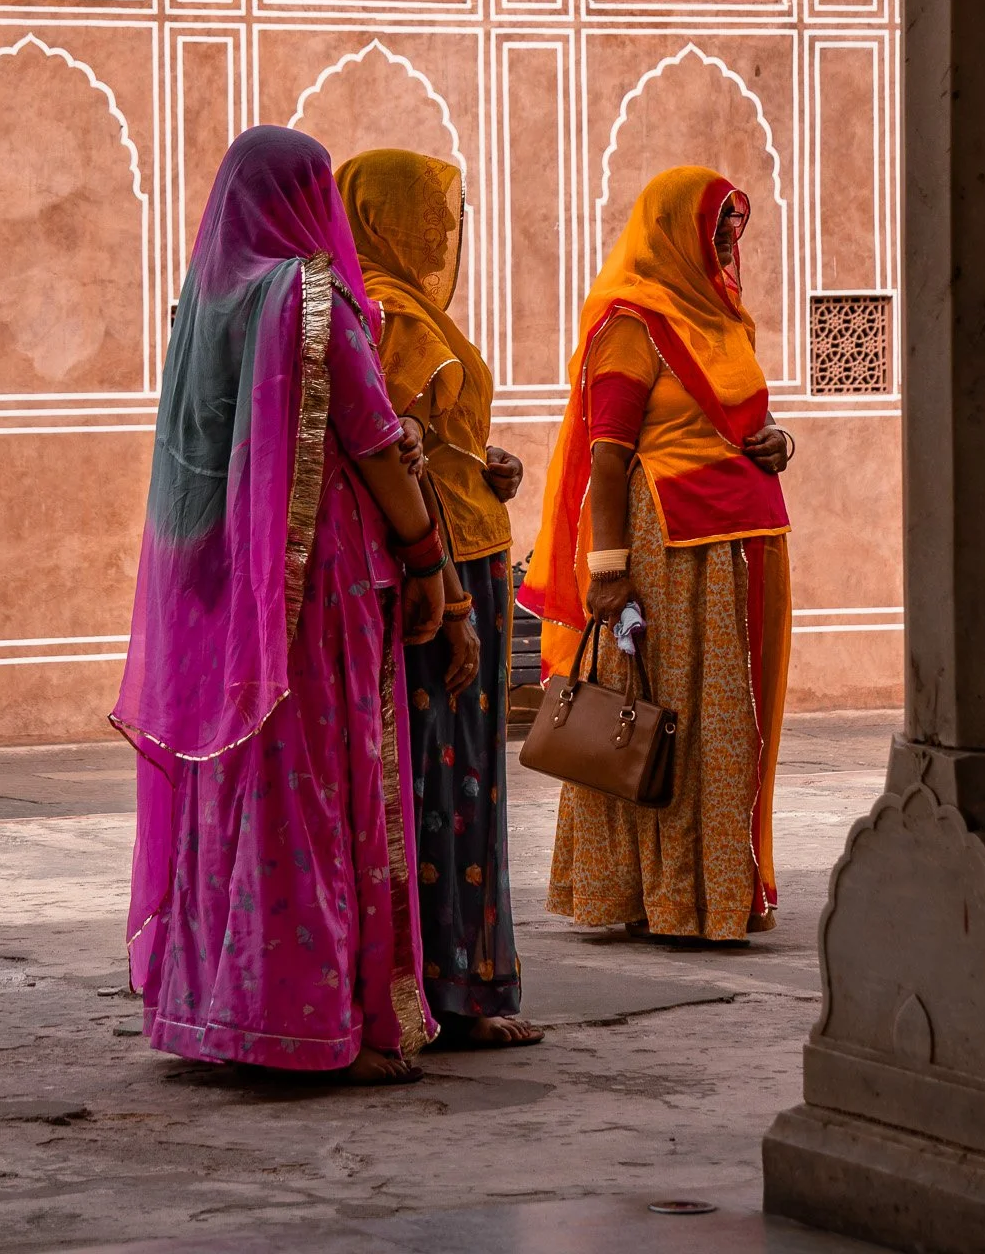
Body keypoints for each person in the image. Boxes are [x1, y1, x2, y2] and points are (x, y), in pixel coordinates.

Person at [110, 126, 448, 1083]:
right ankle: (322, 1021)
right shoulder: (308, 295)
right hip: (319, 585)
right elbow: (371, 439)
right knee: (320, 787)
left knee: (236, 786)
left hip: (224, 591)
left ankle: (219, 1012)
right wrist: (426, 556)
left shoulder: (205, 305)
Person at [520, 166, 792, 943]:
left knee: (734, 726)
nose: (729, 237)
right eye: (715, 223)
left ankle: (724, 888)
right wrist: (607, 571)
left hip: (743, 546)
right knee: (661, 721)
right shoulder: (631, 326)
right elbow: (606, 457)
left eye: (733, 224)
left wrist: (779, 442)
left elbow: (743, 423)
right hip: (669, 552)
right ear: (674, 231)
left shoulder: (726, 320)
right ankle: (663, 896)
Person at [337, 149, 543, 1047]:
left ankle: (458, 984)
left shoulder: (403, 314)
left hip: (472, 549)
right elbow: (396, 458)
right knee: (443, 782)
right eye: (427, 214)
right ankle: (448, 990)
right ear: (380, 218)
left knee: (464, 778)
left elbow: (433, 446)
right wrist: (450, 599)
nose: (443, 232)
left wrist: (486, 462)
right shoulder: (389, 318)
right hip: (444, 569)